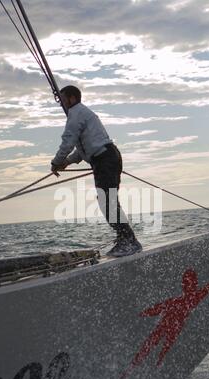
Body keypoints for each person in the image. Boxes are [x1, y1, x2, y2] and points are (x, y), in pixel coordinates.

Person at [51, 85, 142, 257]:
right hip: (106, 157)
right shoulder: (83, 114)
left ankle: (129, 241)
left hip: (105, 159)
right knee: (107, 201)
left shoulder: (76, 114)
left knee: (107, 201)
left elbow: (68, 141)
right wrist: (67, 162)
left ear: (72, 98)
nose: (61, 104)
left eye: (63, 100)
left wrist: (56, 162)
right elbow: (82, 148)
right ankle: (126, 239)